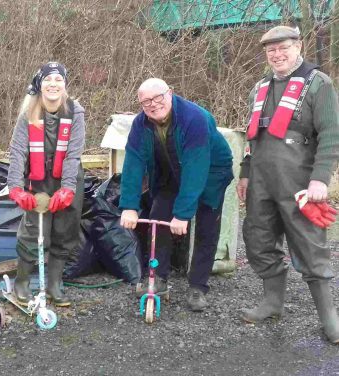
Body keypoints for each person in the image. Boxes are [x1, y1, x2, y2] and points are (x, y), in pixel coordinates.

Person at [237, 26, 339, 343]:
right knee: (258, 237)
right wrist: (245, 171)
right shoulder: (260, 88)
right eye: (271, 50)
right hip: (261, 182)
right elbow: (254, 135)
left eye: (283, 48)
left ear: (298, 47)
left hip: (300, 183)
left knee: (311, 245)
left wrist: (321, 179)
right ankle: (272, 302)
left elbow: (331, 136)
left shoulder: (318, 84)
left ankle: (329, 318)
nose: (277, 55)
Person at [119, 78, 233, 312]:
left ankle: (198, 287)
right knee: (158, 217)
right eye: (146, 101)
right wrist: (129, 205)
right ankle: (158, 278)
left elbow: (196, 167)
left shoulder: (194, 118)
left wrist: (182, 214)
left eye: (158, 97)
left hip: (210, 171)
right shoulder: (141, 124)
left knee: (206, 226)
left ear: (170, 93)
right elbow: (133, 162)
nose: (153, 104)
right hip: (171, 171)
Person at [6, 62, 85, 307]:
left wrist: (68, 187)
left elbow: (74, 153)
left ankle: (54, 284)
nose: (53, 84)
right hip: (38, 179)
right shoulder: (28, 112)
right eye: (48, 80)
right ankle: (21, 283)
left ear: (65, 84)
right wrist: (15, 186)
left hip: (68, 177)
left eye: (58, 80)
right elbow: (18, 151)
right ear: (40, 84)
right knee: (33, 231)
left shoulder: (75, 111)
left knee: (65, 230)